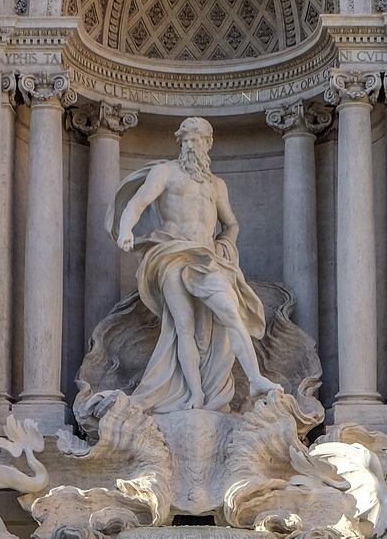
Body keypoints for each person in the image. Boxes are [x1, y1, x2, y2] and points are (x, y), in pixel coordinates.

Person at [108, 116, 281, 413]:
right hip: (171, 253)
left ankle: (255, 379)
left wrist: (225, 243)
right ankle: (195, 394)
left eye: (196, 139)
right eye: (185, 139)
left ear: (208, 144)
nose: (190, 145)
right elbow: (137, 203)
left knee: (230, 312)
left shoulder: (216, 186)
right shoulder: (166, 173)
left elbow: (231, 223)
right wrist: (126, 229)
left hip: (206, 258)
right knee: (183, 325)